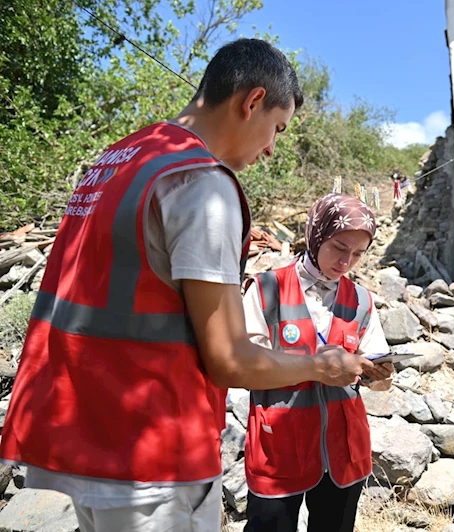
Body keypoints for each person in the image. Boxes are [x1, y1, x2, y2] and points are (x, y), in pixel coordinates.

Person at [0, 39, 374, 532]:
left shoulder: (118, 160)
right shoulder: (201, 184)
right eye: (276, 129)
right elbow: (230, 358)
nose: (270, 148)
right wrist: (322, 366)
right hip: (151, 452)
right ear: (252, 102)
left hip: (79, 433)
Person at [241, 193, 394, 532]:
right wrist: (313, 365)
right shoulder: (266, 290)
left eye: (357, 254)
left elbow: (380, 378)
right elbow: (246, 368)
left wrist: (379, 375)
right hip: (279, 446)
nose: (346, 262)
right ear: (316, 234)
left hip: (343, 451)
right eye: (339, 248)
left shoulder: (362, 300)